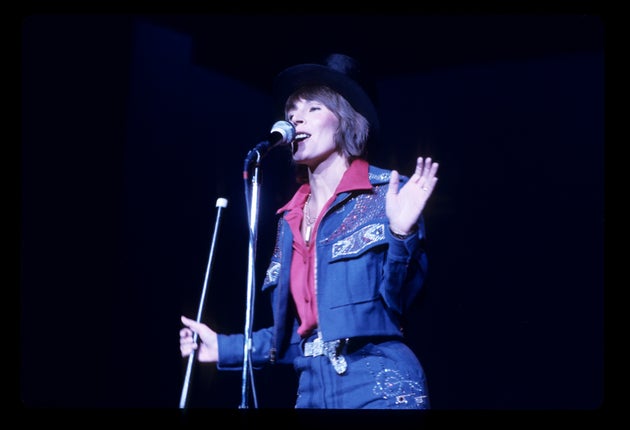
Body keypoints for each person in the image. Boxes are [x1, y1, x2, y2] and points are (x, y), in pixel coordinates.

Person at [180, 53, 439, 409]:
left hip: (378, 385)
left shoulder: (388, 195)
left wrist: (400, 235)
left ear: (345, 120)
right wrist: (223, 347)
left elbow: (397, 305)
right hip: (312, 391)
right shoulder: (289, 219)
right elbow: (294, 336)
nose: (296, 118)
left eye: (313, 108)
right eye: (291, 112)